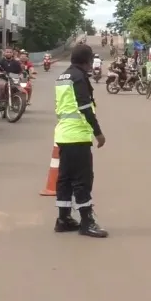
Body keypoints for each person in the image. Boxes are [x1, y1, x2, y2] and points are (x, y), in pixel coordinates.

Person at [53, 44, 108, 238]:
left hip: (63, 135)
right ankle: (86, 222)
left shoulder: (63, 77)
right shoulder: (79, 77)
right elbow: (84, 107)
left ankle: (63, 219)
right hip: (77, 136)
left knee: (65, 180)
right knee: (82, 180)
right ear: (87, 61)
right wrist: (98, 133)